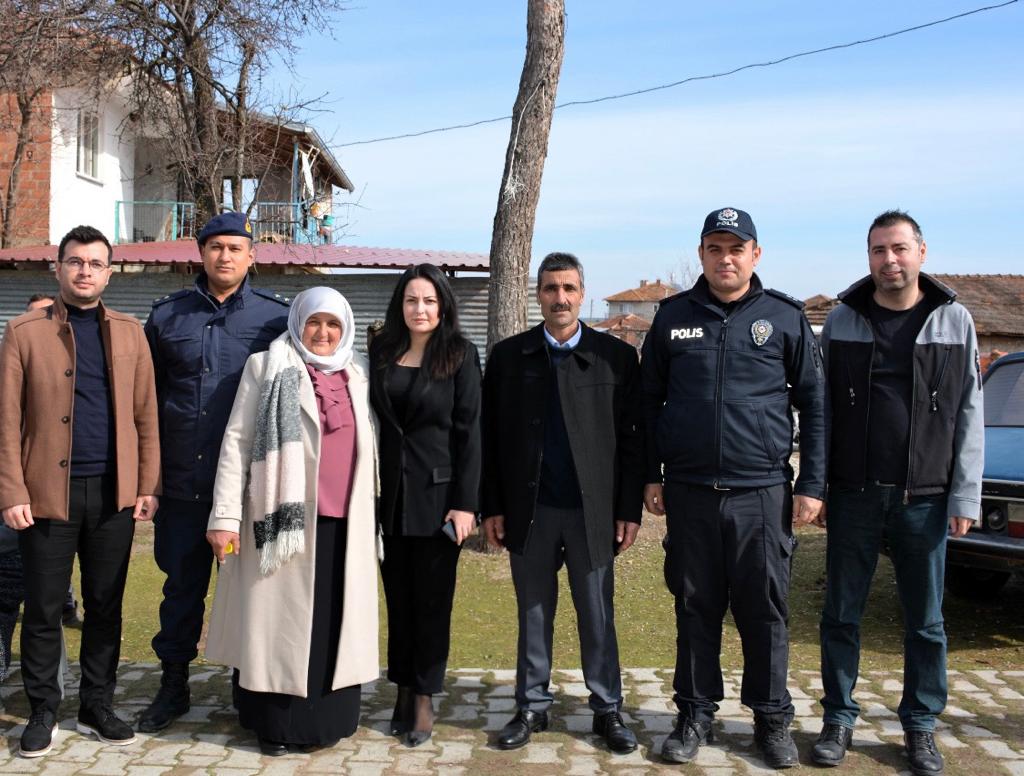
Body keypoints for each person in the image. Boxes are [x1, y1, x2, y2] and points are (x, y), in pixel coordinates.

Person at [641, 208, 825, 769]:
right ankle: (694, 714)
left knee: (764, 609)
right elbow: (646, 404)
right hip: (691, 492)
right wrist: (652, 473)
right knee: (694, 606)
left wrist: (812, 483)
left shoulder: (785, 318)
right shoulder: (673, 317)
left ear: (755, 255)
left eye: (736, 248)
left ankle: (771, 720)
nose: (726, 258)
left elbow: (815, 406)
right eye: (716, 248)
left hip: (762, 492)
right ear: (701, 254)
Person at [811, 211, 984, 775]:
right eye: (879, 250)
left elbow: (969, 414)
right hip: (853, 493)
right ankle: (838, 717)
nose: (890, 259)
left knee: (926, 621)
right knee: (841, 614)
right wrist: (816, 485)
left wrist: (965, 496)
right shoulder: (842, 320)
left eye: (900, 248)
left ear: (922, 252)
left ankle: (921, 726)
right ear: (868, 258)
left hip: (925, 496)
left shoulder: (953, 320)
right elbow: (821, 412)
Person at [0, 226, 160, 757]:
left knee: (106, 605)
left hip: (113, 493)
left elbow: (145, 416)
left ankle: (97, 705)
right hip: (47, 493)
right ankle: (44, 709)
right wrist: (12, 491)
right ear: (59, 268)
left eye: (95, 263)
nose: (85, 270)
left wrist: (147, 485)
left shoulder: (131, 333)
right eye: (75, 262)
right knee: (44, 609)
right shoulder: (24, 333)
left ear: (109, 272)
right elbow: (6, 423)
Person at [204, 287, 380, 755]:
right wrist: (224, 516)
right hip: (280, 523)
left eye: (333, 325)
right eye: (314, 323)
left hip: (346, 524)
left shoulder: (357, 373)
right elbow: (237, 443)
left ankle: (331, 721)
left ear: (345, 329)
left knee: (331, 626)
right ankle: (275, 726)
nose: (323, 334)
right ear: (297, 324)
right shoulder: (266, 367)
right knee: (279, 627)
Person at [482, 252, 644, 755]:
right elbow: (490, 439)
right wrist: (492, 506)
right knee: (533, 611)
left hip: (591, 513)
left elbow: (633, 440)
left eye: (569, 288)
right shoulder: (509, 358)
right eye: (550, 289)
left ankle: (607, 709)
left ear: (582, 291)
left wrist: (628, 509)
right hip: (530, 510)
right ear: (538, 294)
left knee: (596, 613)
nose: (560, 298)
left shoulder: (615, 358)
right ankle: (531, 705)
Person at [139, 212, 289, 732]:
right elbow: (147, 403)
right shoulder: (167, 318)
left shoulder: (275, 320)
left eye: (235, 247)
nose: (225, 256)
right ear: (200, 252)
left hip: (251, 490)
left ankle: (246, 687)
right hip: (183, 483)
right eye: (215, 247)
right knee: (181, 588)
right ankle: (172, 685)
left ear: (252, 255)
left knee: (251, 589)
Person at [369, 264, 481, 747]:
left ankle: (424, 697)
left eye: (429, 301)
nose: (420, 309)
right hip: (387, 502)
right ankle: (402, 684)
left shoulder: (459, 355)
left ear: (443, 306)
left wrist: (465, 505)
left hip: (439, 502)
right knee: (398, 601)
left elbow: (471, 434)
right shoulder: (381, 352)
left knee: (432, 604)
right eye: (412, 300)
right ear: (401, 305)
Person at [22, 294, 82, 630]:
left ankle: (68, 607)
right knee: (30, 591)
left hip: (83, 486)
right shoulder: (18, 354)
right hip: (31, 494)